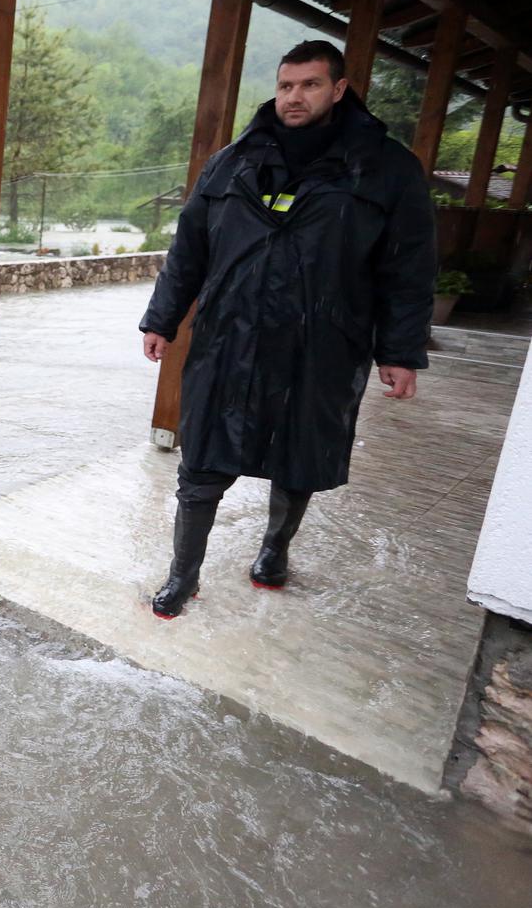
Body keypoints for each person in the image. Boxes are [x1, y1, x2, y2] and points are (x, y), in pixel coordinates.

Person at [139, 40, 435, 620]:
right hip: (230, 338)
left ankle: (274, 552)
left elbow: (409, 266)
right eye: (285, 85)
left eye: (309, 85)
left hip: (323, 343)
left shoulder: (386, 168)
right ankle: (183, 576)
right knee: (201, 463)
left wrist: (399, 351)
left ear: (339, 88)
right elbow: (189, 250)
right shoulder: (232, 162)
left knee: (298, 457)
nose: (293, 97)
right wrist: (161, 318)